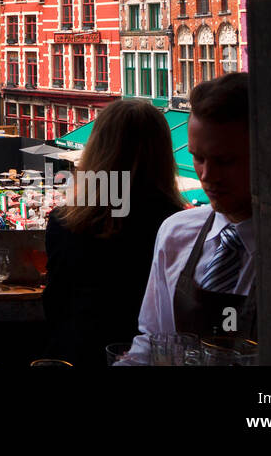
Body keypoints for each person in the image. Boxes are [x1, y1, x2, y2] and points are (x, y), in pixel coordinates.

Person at [42, 99, 188, 367]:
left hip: (77, 353)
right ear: (163, 154)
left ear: (96, 150)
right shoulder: (177, 225)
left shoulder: (65, 222)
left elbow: (55, 303)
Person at [123, 73, 255, 362]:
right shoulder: (175, 232)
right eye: (198, 158)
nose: (207, 176)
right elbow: (153, 338)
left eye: (225, 161)